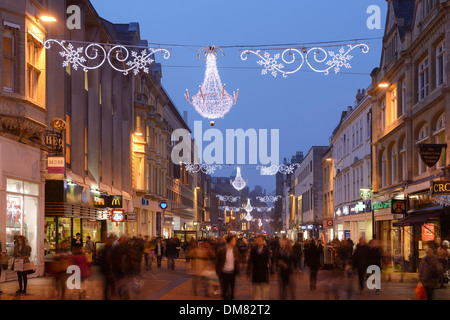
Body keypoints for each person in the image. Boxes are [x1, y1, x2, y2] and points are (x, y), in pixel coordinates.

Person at [215, 235, 240, 300]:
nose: (235, 242)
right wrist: (218, 271)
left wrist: (237, 261)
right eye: (234, 240)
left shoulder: (235, 250)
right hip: (224, 273)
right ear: (230, 241)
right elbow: (217, 261)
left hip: (232, 272)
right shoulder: (221, 250)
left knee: (232, 290)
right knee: (224, 290)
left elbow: (238, 260)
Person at [247, 235, 271, 300]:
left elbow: (269, 262)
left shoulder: (266, 250)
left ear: (263, 241)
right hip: (256, 274)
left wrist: (271, 272)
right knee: (256, 295)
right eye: (257, 240)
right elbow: (250, 261)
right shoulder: (253, 250)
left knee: (264, 295)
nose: (259, 241)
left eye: (260, 240)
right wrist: (248, 272)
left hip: (264, 275)